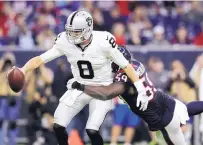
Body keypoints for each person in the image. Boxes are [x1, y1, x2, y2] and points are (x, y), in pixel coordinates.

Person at [14, 10, 149, 145]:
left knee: (92, 130)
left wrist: (140, 88)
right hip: (78, 86)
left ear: (88, 29)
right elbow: (40, 59)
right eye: (70, 31)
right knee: (58, 125)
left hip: (101, 88)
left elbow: (126, 66)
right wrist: (23, 70)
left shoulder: (103, 41)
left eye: (76, 31)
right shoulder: (64, 41)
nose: (72, 34)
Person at [69, 45, 203, 145]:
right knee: (184, 108)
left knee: (170, 139)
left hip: (158, 117)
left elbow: (108, 93)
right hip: (162, 99)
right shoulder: (135, 64)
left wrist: (82, 86)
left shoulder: (122, 77)